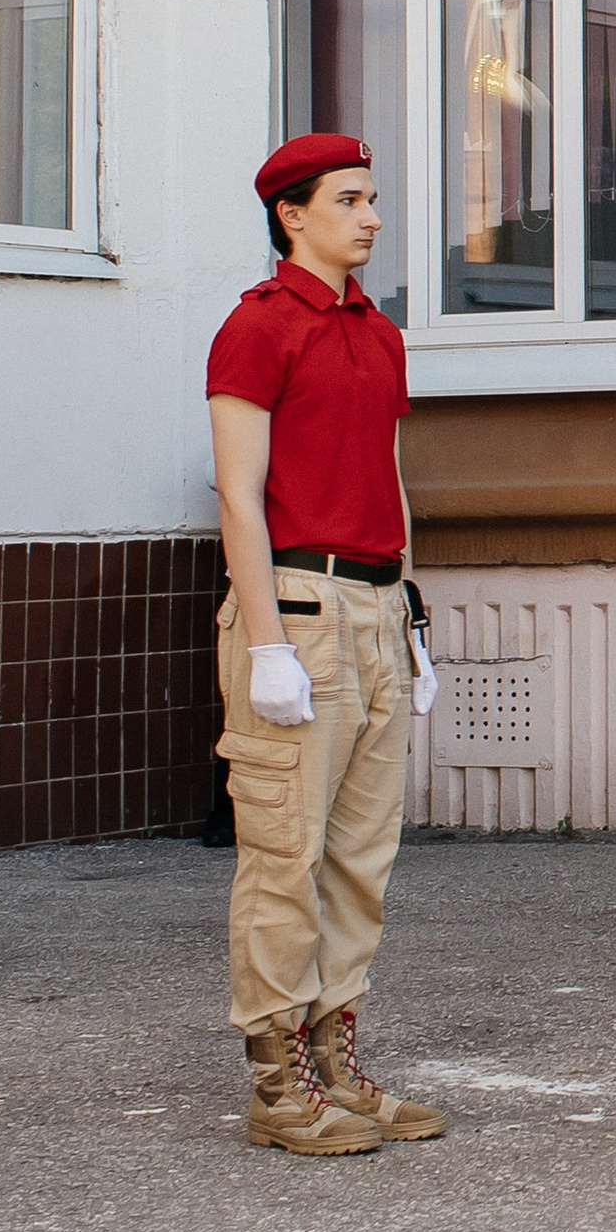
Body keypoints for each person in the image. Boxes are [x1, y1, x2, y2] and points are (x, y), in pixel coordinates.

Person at [204, 134, 445, 1158]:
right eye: (350, 199)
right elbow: (239, 497)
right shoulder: (256, 330)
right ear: (291, 215)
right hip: (298, 607)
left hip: (376, 608)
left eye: (373, 197)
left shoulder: (377, 333)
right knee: (284, 855)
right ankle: (278, 1082)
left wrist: (414, 618)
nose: (372, 216)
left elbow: (388, 478)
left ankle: (337, 1062)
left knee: (358, 858)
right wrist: (266, 643)